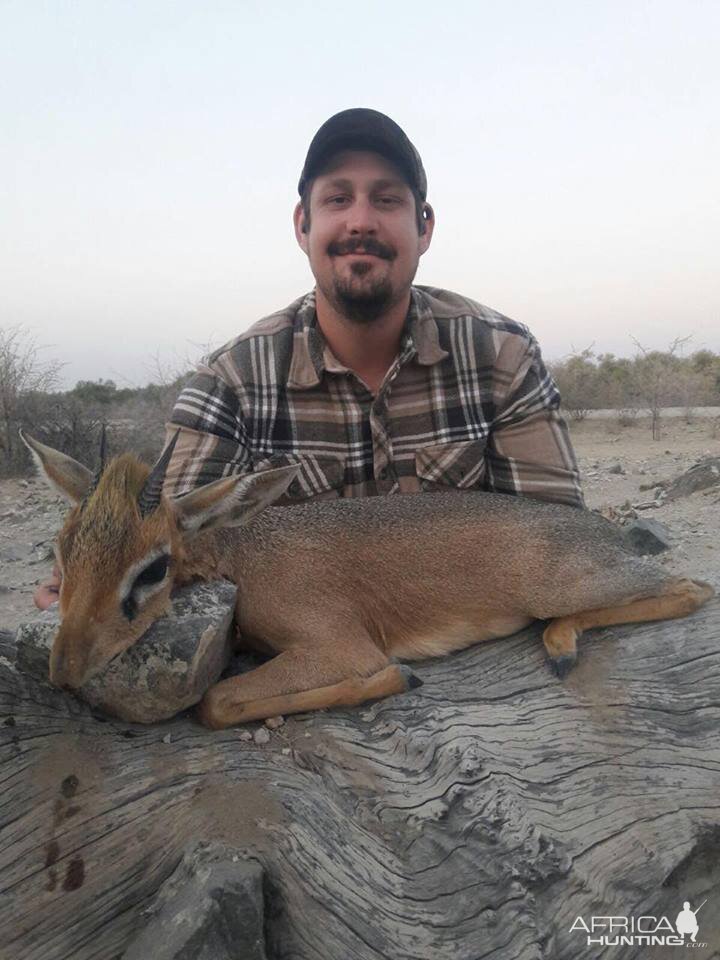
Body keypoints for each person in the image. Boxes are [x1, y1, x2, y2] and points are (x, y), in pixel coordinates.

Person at [34, 107, 583, 608]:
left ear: (424, 226)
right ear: (303, 225)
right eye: (338, 199)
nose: (360, 221)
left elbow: (562, 539)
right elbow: (176, 554)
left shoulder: (502, 355)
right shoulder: (228, 384)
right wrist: (96, 585)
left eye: (387, 199)